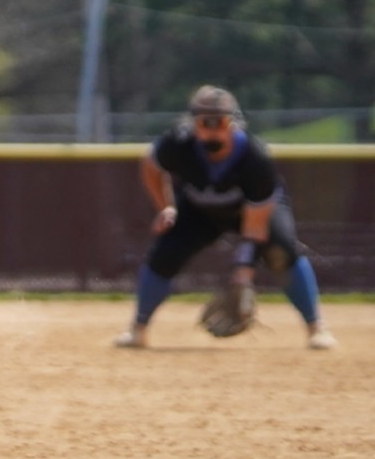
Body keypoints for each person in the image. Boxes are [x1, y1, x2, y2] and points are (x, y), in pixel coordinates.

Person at [114, 85, 335, 351]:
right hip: (199, 210)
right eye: (204, 122)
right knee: (164, 253)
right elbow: (151, 165)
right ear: (193, 123)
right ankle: (137, 331)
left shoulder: (255, 158)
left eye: (219, 121)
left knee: (282, 252)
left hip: (252, 213)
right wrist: (166, 208)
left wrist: (243, 274)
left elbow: (254, 226)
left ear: (233, 122)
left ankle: (316, 328)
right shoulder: (178, 143)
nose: (212, 129)